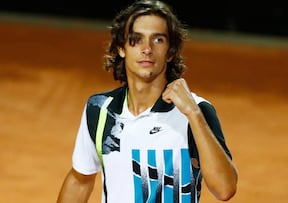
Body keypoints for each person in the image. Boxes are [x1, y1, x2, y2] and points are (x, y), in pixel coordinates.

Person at [57, 0, 238, 202]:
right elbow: (80, 180)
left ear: (170, 52)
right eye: (136, 39)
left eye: (158, 40)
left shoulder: (195, 111)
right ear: (121, 48)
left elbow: (225, 189)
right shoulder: (100, 110)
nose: (147, 49)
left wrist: (194, 114)